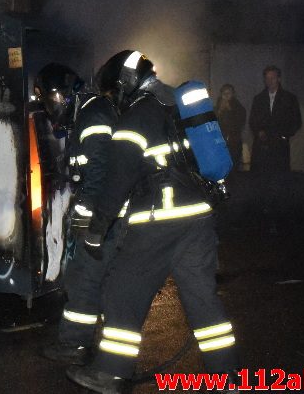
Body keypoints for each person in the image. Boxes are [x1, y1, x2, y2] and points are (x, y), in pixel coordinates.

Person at [66, 50, 239, 394]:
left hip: (159, 220)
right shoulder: (177, 104)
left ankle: (110, 374)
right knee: (203, 302)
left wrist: (98, 228)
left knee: (122, 294)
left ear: (125, 82)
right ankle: (228, 378)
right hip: (199, 220)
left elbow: (117, 178)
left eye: (115, 92)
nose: (116, 99)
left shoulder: (138, 115)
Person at [35, 61, 121, 365]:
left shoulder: (94, 114)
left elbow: (99, 170)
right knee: (90, 278)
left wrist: (83, 212)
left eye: (50, 100)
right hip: (108, 216)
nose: (49, 108)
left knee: (84, 278)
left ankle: (78, 346)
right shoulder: (86, 114)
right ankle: (83, 343)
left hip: (108, 218)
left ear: (64, 94)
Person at [248, 66, 302, 232]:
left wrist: (284, 135)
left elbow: (296, 121)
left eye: (272, 77)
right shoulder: (259, 98)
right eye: (267, 78)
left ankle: (278, 215)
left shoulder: (289, 99)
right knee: (262, 180)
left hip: (279, 147)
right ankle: (263, 212)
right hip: (263, 148)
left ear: (278, 78)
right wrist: (259, 132)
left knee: (279, 180)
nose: (269, 81)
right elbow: (253, 120)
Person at [215, 84, 246, 171]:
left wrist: (230, 110)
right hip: (220, 143)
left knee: (234, 167)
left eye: (229, 93)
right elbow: (212, 124)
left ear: (233, 94)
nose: (226, 96)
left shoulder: (239, 108)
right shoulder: (216, 108)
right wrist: (220, 111)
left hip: (234, 143)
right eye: (224, 93)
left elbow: (240, 123)